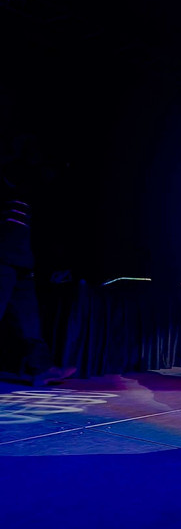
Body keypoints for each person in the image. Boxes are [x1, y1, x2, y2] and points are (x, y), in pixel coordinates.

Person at [0, 133, 76, 387]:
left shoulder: (29, 186)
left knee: (29, 320)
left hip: (21, 260)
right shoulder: (10, 173)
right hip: (3, 257)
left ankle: (41, 369)